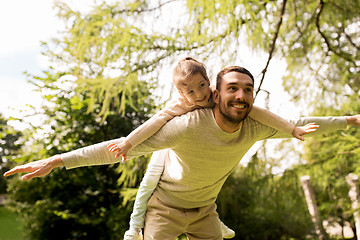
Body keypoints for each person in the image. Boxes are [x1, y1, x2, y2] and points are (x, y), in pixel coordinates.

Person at [4, 65, 360, 239]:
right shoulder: (187, 125)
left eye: (248, 90)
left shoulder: (255, 125)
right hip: (165, 209)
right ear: (216, 94)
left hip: (205, 212)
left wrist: (349, 119)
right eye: (232, 88)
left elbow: (302, 121)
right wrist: (58, 160)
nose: (240, 96)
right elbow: (121, 149)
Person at [107, 57, 317, 240]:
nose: (199, 94)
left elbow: (259, 113)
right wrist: (128, 143)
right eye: (190, 91)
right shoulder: (179, 106)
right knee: (147, 185)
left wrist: (291, 129)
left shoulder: (216, 95)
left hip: (193, 152)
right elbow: (154, 123)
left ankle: (213, 221)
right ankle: (134, 229)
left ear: (208, 82)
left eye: (201, 85)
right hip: (169, 149)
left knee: (207, 181)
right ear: (181, 93)